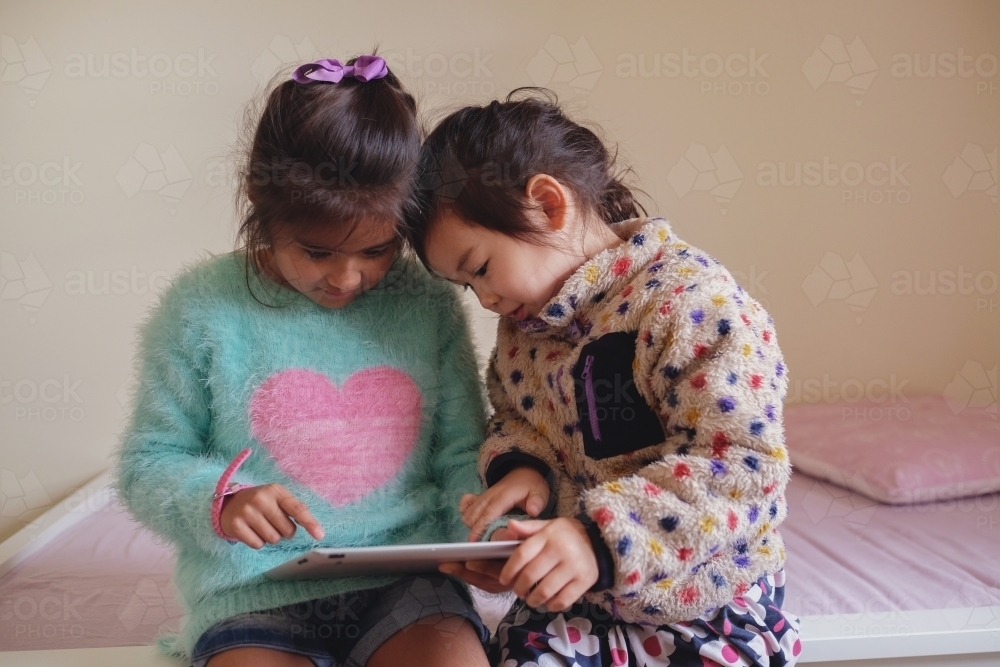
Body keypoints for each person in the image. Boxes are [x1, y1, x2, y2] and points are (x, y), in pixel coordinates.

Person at [114, 55, 492, 667]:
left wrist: (487, 535)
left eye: (377, 250)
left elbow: (461, 455)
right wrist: (225, 498)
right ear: (263, 209)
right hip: (251, 589)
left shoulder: (427, 304)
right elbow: (146, 465)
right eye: (317, 252)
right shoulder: (201, 307)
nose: (350, 277)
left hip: (408, 584)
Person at [410, 89, 802, 666]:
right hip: (582, 610)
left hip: (703, 604)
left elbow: (742, 468)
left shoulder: (691, 304)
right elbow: (517, 418)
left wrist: (595, 539)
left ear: (547, 204)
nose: (487, 300)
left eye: (482, 269)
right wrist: (525, 476)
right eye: (468, 288)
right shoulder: (523, 333)